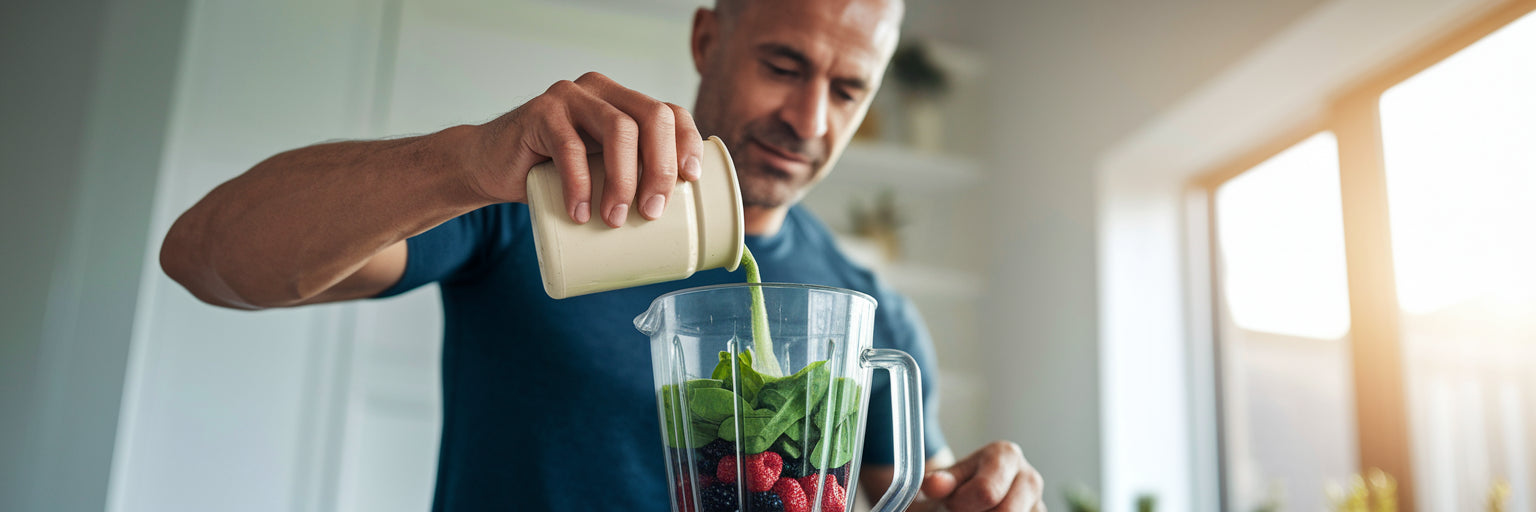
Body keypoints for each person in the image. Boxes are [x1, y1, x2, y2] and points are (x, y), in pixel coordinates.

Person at [161, 0, 1045, 510]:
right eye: (783, 63)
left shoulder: (873, 315)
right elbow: (207, 257)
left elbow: (882, 499)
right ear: (708, 39)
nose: (810, 119)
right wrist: (467, 159)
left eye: (849, 88)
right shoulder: (545, 208)